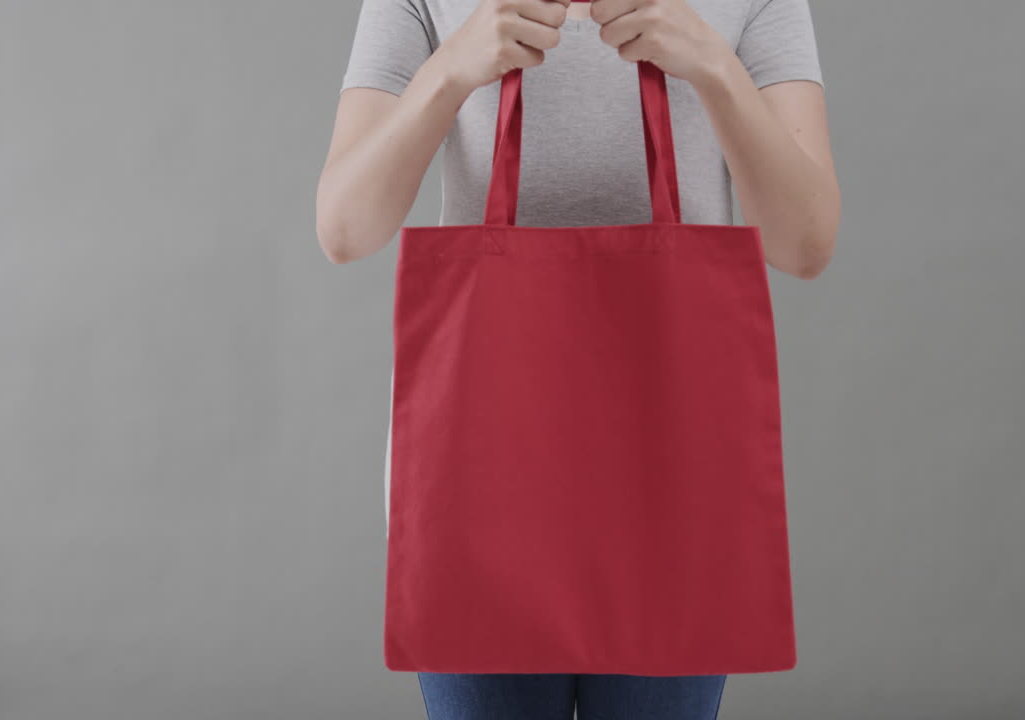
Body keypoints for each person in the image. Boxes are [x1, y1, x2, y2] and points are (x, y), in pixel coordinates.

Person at [315, 0, 840, 717]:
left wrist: (713, 65)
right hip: (478, 483)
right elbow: (345, 227)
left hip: (674, 478)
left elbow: (805, 243)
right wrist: (452, 70)